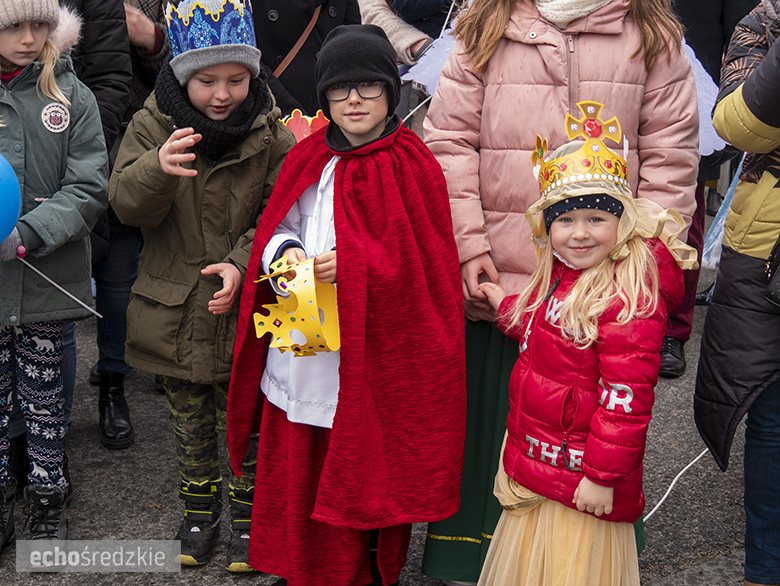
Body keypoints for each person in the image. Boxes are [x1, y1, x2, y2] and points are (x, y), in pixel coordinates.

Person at [422, 0, 699, 582]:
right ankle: (479, 562)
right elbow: (448, 141)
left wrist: (644, 263)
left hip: (607, 285)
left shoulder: (650, 30)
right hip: (506, 277)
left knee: (598, 430)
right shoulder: (484, 22)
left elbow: (670, 159)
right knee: (503, 433)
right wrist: (468, 246)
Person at [226, 24, 467, 586]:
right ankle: (302, 563)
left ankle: (364, 569)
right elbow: (276, 228)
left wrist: (354, 265)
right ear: (325, 97)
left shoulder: (412, 162)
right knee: (302, 441)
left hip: (378, 345)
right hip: (305, 321)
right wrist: (292, 260)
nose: (353, 100)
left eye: (368, 87)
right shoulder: (308, 157)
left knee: (363, 450)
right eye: (340, 89)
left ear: (390, 91)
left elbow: (425, 263)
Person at [108, 0, 295, 571]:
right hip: (174, 305)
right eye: (207, 80)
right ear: (181, 75)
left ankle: (247, 517)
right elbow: (123, 205)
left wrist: (242, 263)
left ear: (254, 75)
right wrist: (155, 169)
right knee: (189, 421)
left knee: (248, 417)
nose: (222, 94)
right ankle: (198, 511)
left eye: (237, 80)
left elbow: (283, 212)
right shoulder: (151, 124)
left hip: (248, 307)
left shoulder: (271, 133)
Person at [474, 112, 695, 585]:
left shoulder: (628, 295)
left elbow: (626, 401)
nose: (579, 233)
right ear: (547, 229)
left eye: (596, 218)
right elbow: (545, 325)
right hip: (546, 462)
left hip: (583, 478)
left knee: (573, 569)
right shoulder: (567, 276)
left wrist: (600, 476)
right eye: (566, 220)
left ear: (622, 221)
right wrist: (503, 304)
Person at [0, 0, 108, 541]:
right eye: (13, 25)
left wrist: (30, 231)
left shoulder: (71, 96)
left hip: (46, 277)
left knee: (45, 399)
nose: (28, 37)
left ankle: (48, 490)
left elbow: (88, 185)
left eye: (39, 24)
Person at [694, 2, 780, 584]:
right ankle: (765, 568)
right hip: (767, 249)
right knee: (772, 416)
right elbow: (739, 125)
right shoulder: (767, 19)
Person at [658, 0, 755, 378]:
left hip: (692, 97)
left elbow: (743, 36)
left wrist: (728, 103)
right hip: (618, 85)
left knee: (682, 219)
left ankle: (671, 330)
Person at [252, 0, 361, 116]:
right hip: (276, 112)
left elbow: (352, 50)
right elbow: (247, 58)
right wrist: (292, 113)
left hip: (335, 107)